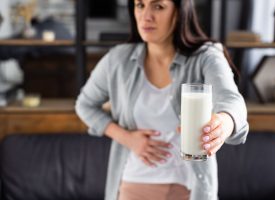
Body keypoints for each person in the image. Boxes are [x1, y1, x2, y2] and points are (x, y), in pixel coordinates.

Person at [75, 0, 249, 199]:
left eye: (158, 6)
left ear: (179, 12)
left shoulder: (206, 57)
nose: (146, 15)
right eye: (140, 5)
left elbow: (231, 99)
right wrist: (128, 139)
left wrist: (223, 123)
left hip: (191, 189)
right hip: (134, 186)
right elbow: (84, 104)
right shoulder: (118, 60)